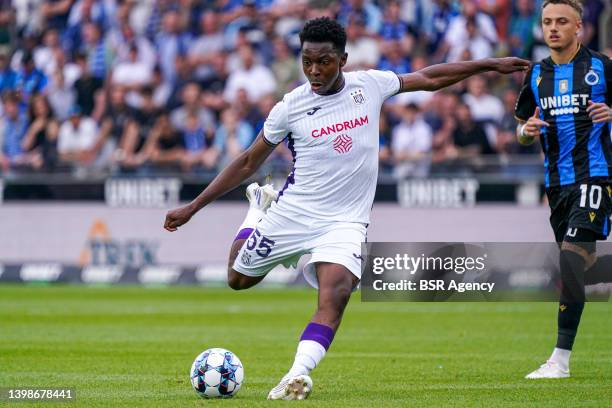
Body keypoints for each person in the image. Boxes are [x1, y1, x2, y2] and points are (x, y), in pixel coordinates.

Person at [164, 17, 528, 400]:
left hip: (345, 221)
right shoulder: (290, 107)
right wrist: (193, 207)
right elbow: (247, 162)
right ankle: (258, 211)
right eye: (307, 61)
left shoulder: (368, 85)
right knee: (238, 279)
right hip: (296, 211)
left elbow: (430, 77)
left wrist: (489, 64)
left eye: (324, 62)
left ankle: (296, 376)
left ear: (343, 59)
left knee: (335, 293)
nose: (314, 71)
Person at [514, 0, 612, 379]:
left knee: (570, 259)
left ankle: (560, 360)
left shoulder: (601, 67)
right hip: (557, 185)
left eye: (561, 22)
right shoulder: (537, 75)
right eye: (547, 22)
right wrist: (526, 133)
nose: (552, 28)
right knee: (578, 265)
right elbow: (522, 126)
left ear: (579, 28)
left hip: (597, 176)